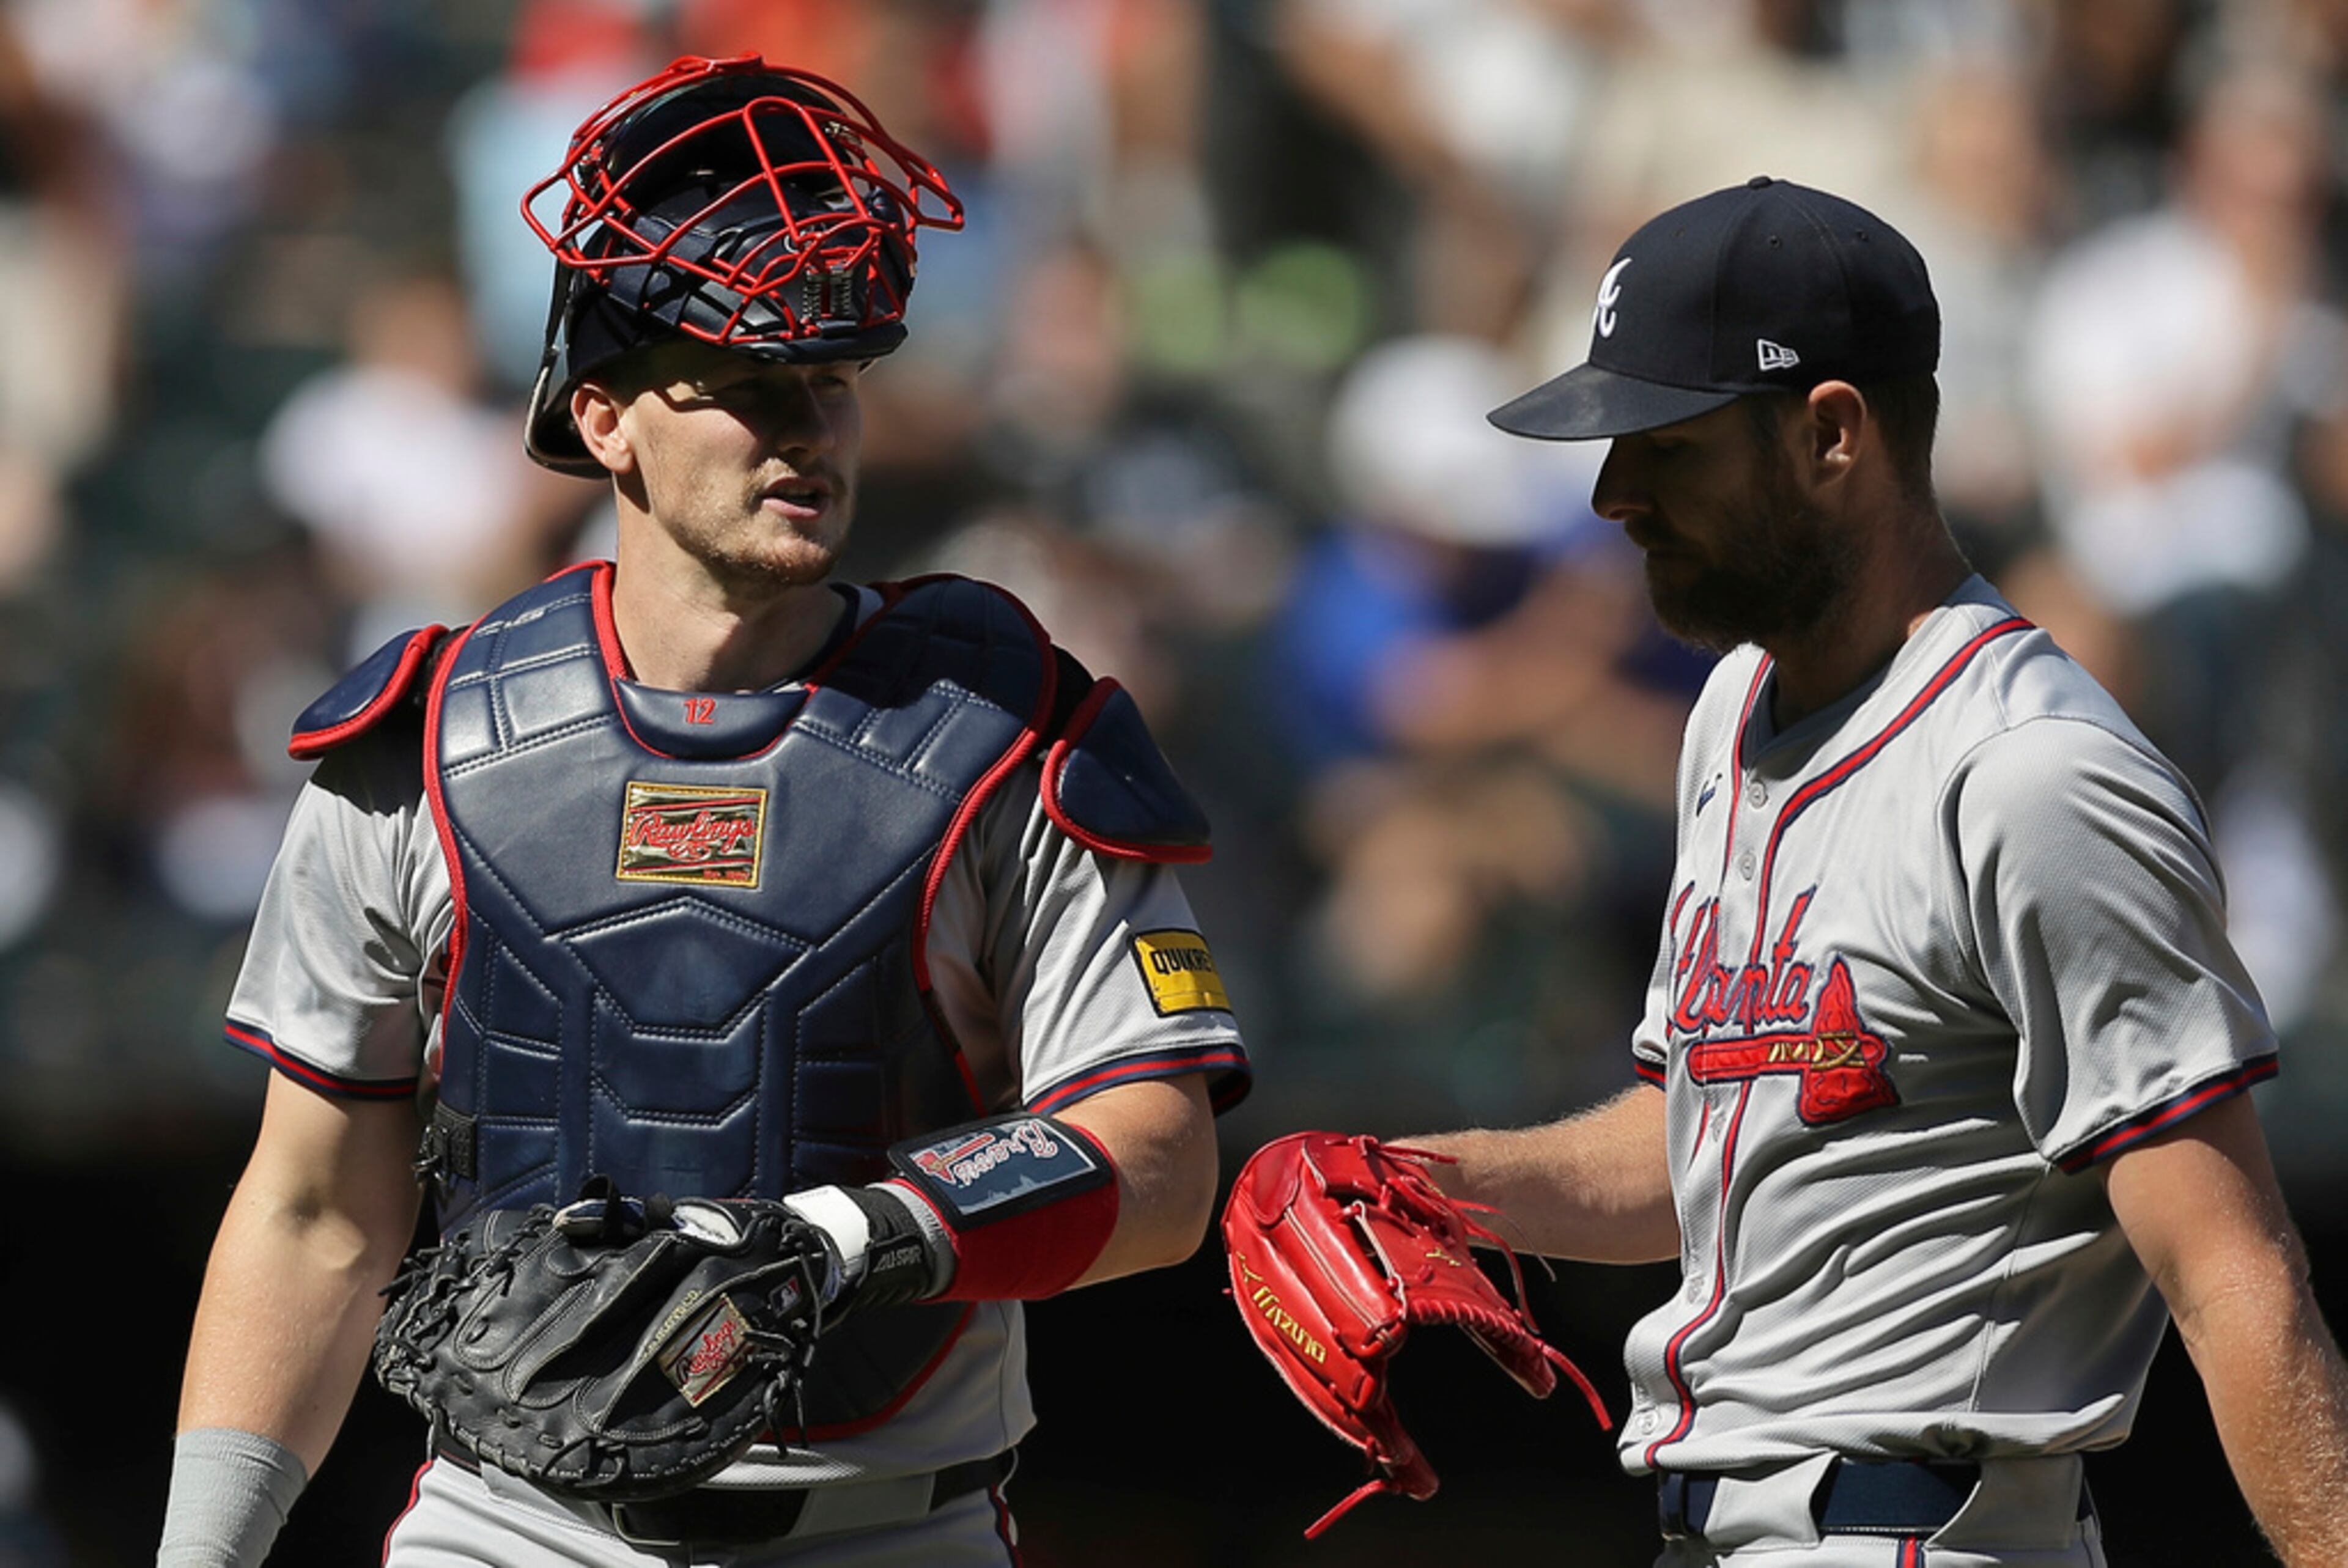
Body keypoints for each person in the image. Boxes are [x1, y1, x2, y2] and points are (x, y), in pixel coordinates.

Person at [159, 55, 1248, 1567]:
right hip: (510, 1524)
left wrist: (855, 1235)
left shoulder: (1009, 732)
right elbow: (310, 1211)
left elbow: (1159, 1160)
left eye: (834, 382)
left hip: (889, 1527)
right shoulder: (424, 743)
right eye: (744, 390)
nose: (805, 431)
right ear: (603, 418)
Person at [1324, 177, 2348, 1565]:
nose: (1613, 495)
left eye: (1666, 446)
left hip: (1917, 1524)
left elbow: (2232, 1269)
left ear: (1831, 434)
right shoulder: (1732, 706)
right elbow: (1706, 1132)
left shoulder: (2033, 775)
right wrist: (1417, 1182)